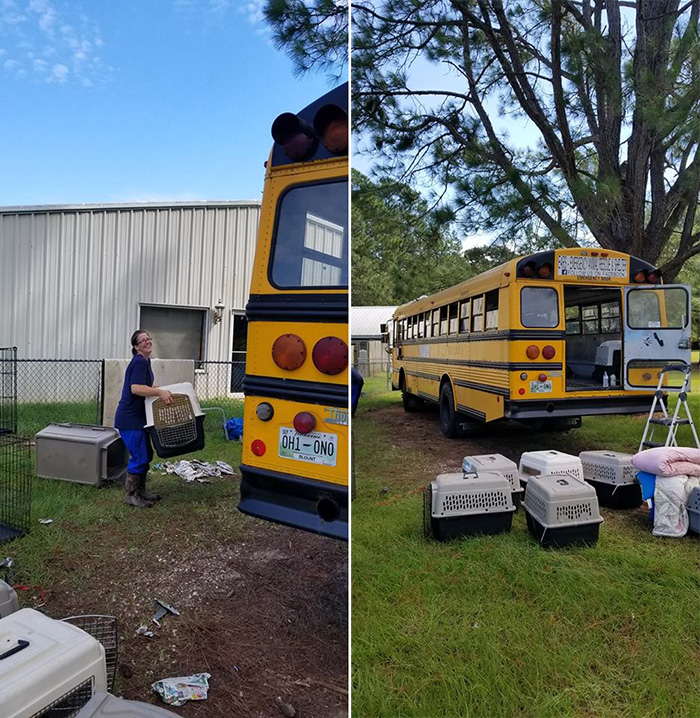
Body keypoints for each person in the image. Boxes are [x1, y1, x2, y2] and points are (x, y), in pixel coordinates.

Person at [114, 330, 173, 508]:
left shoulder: (145, 362)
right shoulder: (139, 362)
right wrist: (159, 392)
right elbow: (136, 388)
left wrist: (162, 389)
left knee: (146, 454)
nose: (147, 342)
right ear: (136, 346)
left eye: (148, 339)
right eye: (143, 340)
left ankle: (141, 492)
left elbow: (146, 385)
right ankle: (131, 495)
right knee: (139, 456)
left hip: (139, 419)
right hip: (130, 419)